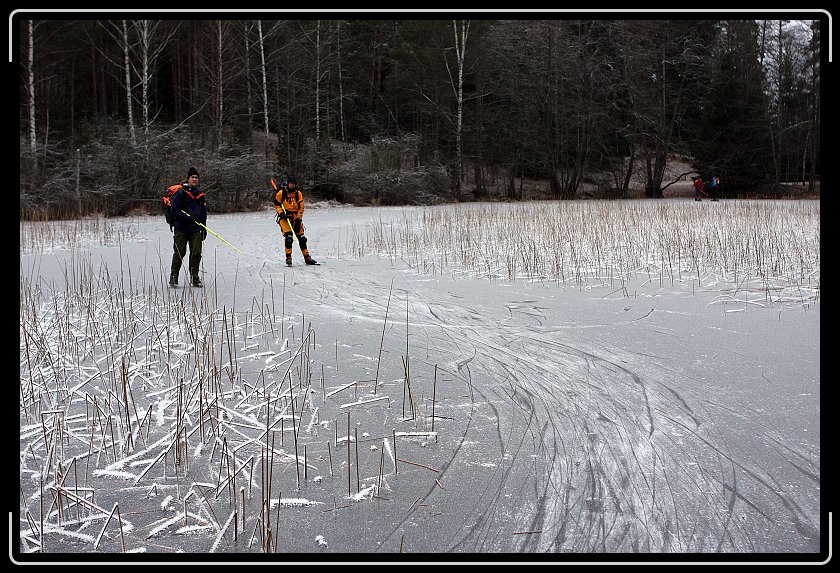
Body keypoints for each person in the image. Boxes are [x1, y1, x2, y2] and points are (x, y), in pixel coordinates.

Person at [169, 166, 207, 287]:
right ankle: (174, 279)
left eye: (196, 177)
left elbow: (203, 213)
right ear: (188, 179)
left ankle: (194, 278)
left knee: (196, 253)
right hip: (181, 228)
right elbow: (175, 210)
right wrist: (187, 217)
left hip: (195, 228)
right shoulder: (181, 193)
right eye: (192, 177)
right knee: (180, 252)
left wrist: (204, 227)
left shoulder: (200, 194)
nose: (195, 179)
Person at [273, 176, 318, 266]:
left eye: (293, 184)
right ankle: (288, 257)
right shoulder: (281, 193)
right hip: (285, 218)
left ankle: (307, 257)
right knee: (289, 238)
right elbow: (277, 204)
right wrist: (281, 213)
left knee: (302, 239)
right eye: (290, 183)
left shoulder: (298, 194)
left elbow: (301, 208)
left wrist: (298, 219)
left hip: (295, 218)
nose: (292, 185)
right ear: (288, 183)